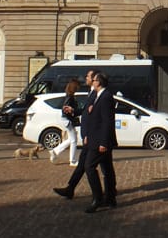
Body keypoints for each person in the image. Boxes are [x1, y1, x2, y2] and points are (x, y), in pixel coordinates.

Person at [53, 70, 99, 200]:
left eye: (88, 76)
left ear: (95, 79)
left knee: (93, 167)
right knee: (83, 166)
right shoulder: (91, 92)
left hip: (93, 136)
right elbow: (86, 112)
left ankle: (102, 195)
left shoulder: (97, 93)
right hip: (88, 135)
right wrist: (74, 111)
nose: (86, 78)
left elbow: (96, 116)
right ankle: (70, 188)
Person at [83, 72, 118, 213]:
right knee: (107, 170)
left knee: (89, 167)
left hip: (100, 141)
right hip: (95, 138)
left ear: (99, 82)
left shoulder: (106, 97)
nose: (92, 81)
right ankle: (110, 199)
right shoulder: (98, 96)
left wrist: (103, 142)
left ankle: (97, 198)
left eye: (94, 80)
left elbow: (107, 121)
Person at [49, 78, 81, 166]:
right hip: (68, 120)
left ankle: (55, 151)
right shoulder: (70, 97)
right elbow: (66, 109)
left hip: (66, 119)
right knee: (74, 140)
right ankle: (73, 160)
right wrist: (72, 111)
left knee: (71, 139)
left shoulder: (68, 95)